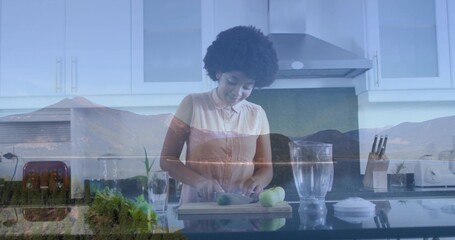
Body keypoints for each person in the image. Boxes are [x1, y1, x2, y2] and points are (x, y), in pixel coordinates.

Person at [160, 25, 279, 203]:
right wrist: (199, 182)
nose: (238, 92)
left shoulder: (257, 114)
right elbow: (167, 160)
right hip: (198, 209)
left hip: (241, 213)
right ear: (218, 73)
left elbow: (266, 170)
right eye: (232, 81)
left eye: (247, 86)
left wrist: (258, 181)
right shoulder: (192, 104)